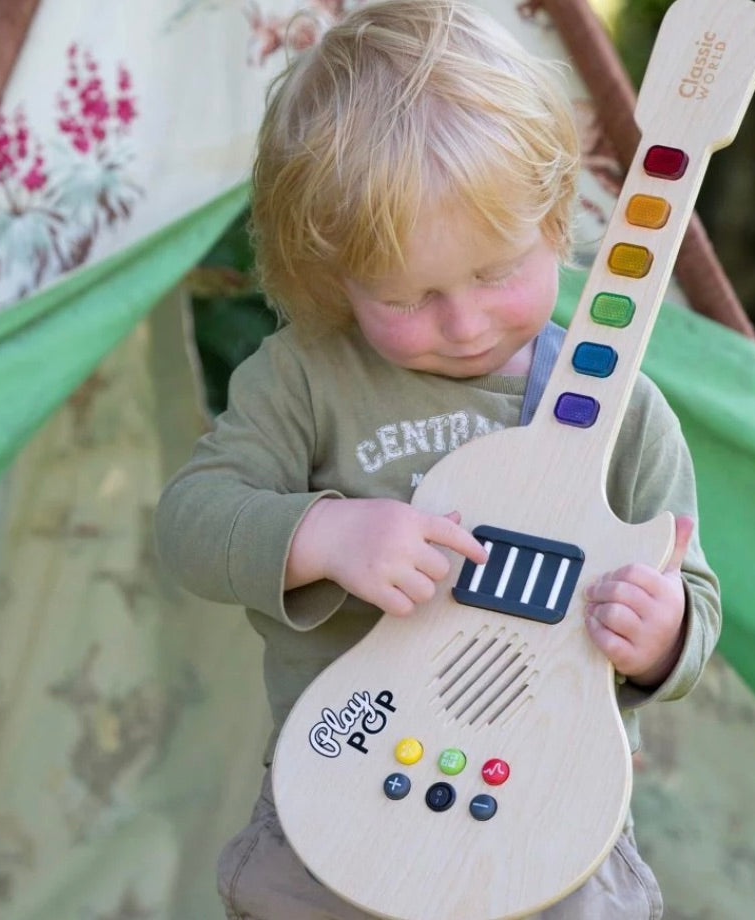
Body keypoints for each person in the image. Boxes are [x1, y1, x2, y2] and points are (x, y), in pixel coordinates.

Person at [155, 1, 721, 917]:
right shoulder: (303, 380)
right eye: (409, 296)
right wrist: (323, 535)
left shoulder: (624, 407)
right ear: (329, 273)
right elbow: (188, 523)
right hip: (341, 803)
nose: (463, 322)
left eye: (496, 272)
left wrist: (659, 636)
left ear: (553, 219)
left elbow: (693, 596)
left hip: (548, 823)